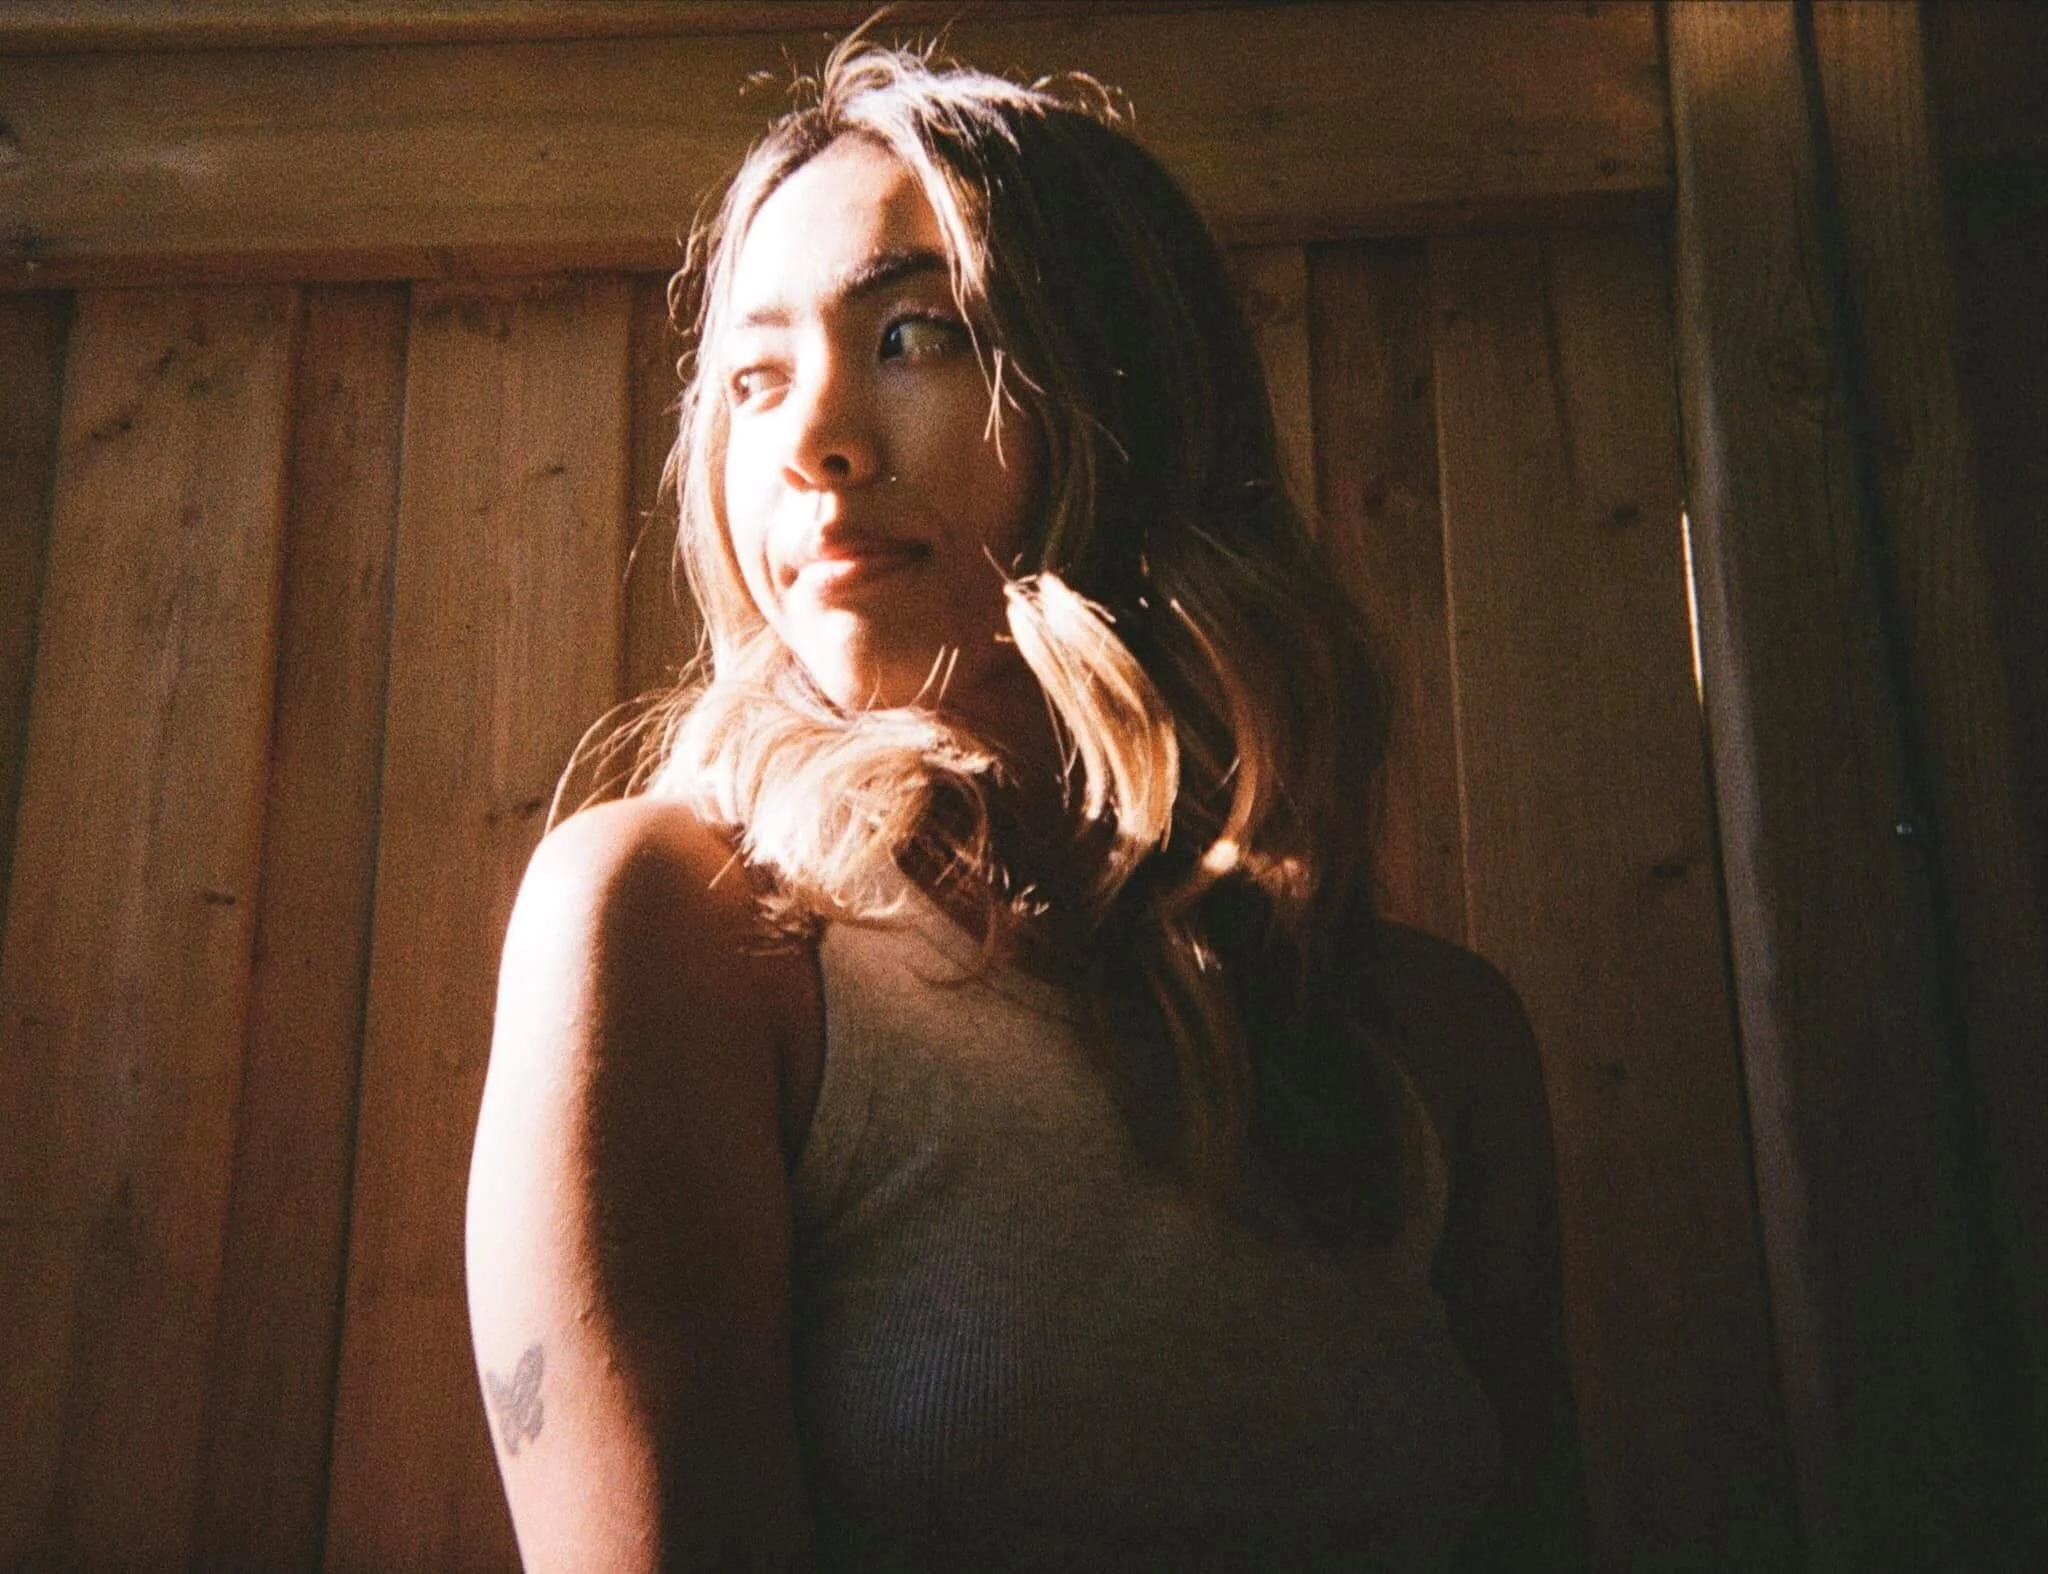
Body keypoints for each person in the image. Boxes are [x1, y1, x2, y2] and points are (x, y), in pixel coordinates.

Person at [466, 40, 1585, 1572]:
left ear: (1127, 388)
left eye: (915, 333)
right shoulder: (689, 930)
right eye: (755, 376)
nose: (809, 443)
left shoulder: (1439, 1041)